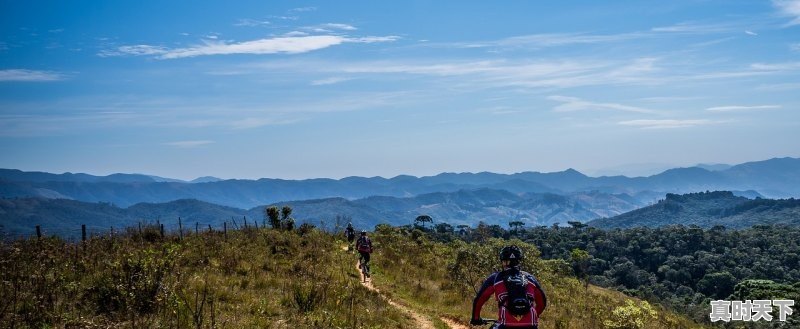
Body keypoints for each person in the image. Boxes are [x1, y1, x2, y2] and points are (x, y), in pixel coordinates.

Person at [471, 245, 547, 328]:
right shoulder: (530, 278)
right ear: (519, 261)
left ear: (503, 261)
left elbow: (479, 300)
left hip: (505, 325)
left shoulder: (495, 278)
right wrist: (534, 315)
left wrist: (476, 318)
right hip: (531, 325)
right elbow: (542, 303)